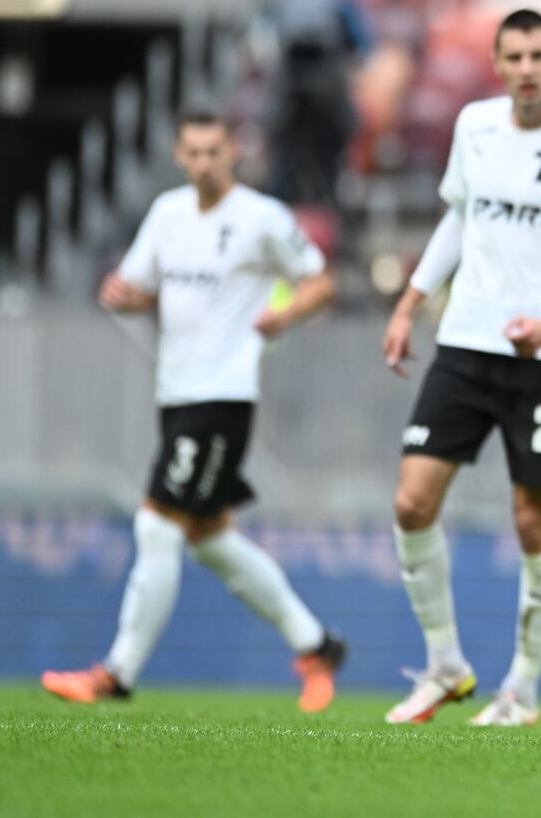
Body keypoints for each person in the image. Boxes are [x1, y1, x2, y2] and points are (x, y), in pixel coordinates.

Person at [41, 109, 344, 712]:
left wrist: (285, 315)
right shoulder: (167, 214)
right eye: (193, 153)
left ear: (234, 151)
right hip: (175, 394)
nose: (204, 163)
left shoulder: (261, 219)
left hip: (223, 397)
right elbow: (139, 289)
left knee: (157, 524)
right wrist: (124, 298)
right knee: (209, 540)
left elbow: (320, 281)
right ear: (180, 156)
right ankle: (317, 646)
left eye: (214, 151)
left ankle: (117, 673)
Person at [381, 9, 541, 728]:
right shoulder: (475, 127)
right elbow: (458, 219)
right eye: (513, 56)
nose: (526, 68)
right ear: (496, 62)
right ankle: (445, 666)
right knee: (411, 503)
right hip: (466, 342)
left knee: (532, 519)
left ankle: (520, 688)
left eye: (537, 55)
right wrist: (410, 303)